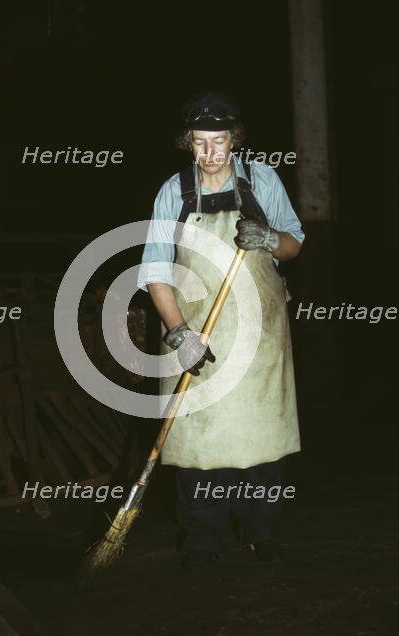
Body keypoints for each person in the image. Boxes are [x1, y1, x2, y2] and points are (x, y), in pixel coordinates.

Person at [137, 91, 303, 572]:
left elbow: (294, 241)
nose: (210, 154)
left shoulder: (262, 180)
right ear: (187, 143)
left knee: (262, 439)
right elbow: (155, 271)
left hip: (261, 335)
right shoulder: (175, 191)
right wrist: (178, 334)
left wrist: (273, 239)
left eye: (220, 141)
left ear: (235, 140)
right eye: (200, 143)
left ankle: (263, 534)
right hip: (198, 335)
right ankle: (202, 543)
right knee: (198, 443)